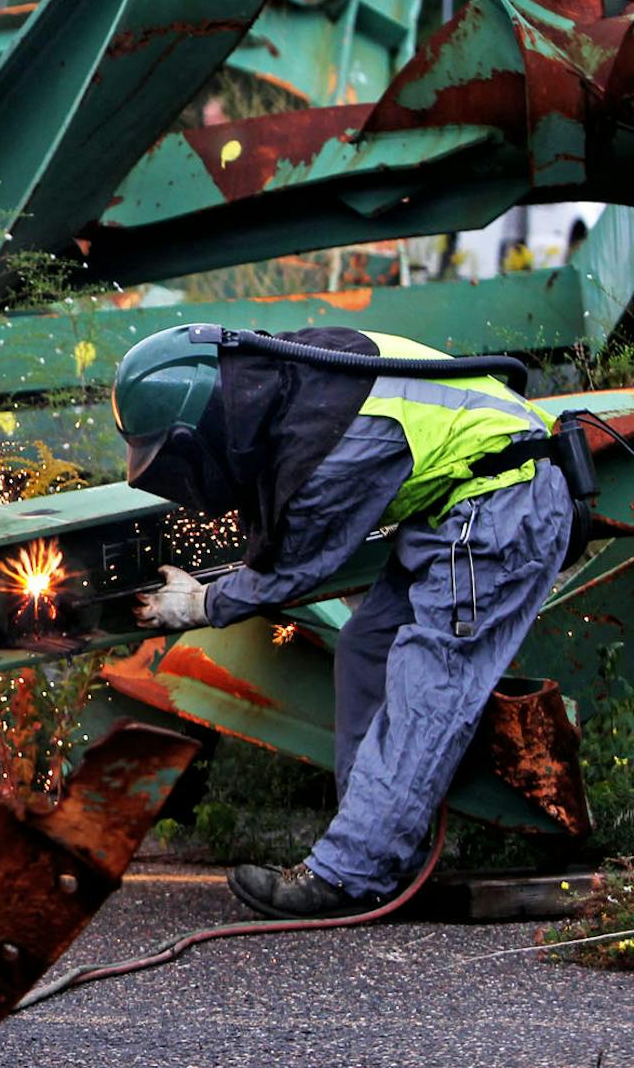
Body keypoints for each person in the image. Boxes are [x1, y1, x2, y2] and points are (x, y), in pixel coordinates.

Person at [111, 325, 572, 919]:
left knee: (426, 686)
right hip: (454, 509)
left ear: (203, 429)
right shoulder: (290, 380)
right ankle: (380, 857)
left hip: (504, 506)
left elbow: (291, 570)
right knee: (365, 648)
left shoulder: (334, 439)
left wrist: (201, 604)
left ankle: (352, 871)